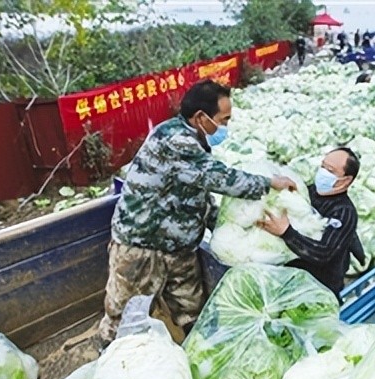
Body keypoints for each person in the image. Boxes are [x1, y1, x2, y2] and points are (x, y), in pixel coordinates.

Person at [99, 81, 297, 344]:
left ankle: (191, 355)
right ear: (201, 117)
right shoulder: (174, 139)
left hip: (179, 246)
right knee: (126, 314)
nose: (225, 127)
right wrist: (269, 182)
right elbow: (217, 177)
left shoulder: (195, 140)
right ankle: (109, 359)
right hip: (142, 246)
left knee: (192, 310)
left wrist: (228, 226)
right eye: (223, 119)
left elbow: (198, 191)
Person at [258, 147, 361, 298]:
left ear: (345, 180)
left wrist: (286, 232)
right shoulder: (309, 191)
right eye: (322, 166)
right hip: (291, 276)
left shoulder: (344, 212)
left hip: (319, 288)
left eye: (330, 171)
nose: (323, 172)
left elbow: (323, 253)